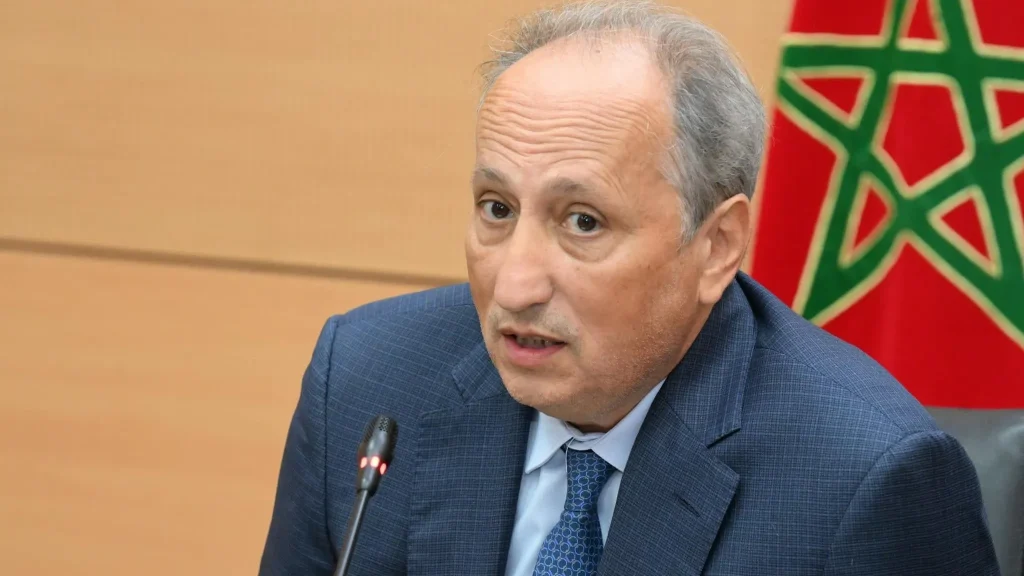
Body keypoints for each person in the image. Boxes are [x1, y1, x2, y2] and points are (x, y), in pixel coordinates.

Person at [259, 1, 1000, 574]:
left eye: (582, 221)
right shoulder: (364, 384)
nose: (514, 285)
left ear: (717, 245)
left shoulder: (861, 484)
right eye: (497, 209)